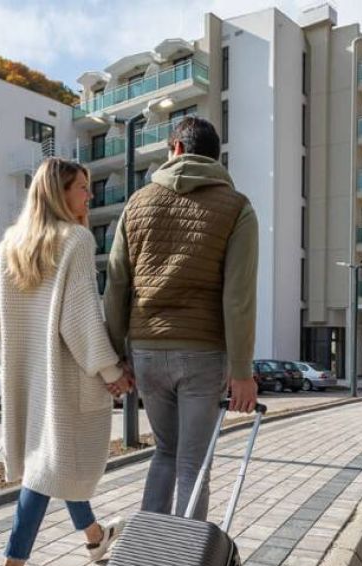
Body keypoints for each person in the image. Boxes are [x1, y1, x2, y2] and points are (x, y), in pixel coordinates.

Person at [0, 157, 134, 566]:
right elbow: (82, 320)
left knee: (54, 461)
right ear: (59, 192)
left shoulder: (11, 243)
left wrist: (15, 365)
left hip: (28, 377)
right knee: (44, 471)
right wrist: (113, 372)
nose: (89, 195)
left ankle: (95, 537)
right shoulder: (75, 240)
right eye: (82, 187)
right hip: (65, 377)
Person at [104, 116, 259, 521]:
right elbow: (238, 296)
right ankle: (185, 555)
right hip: (203, 352)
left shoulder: (137, 203)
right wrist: (242, 371)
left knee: (165, 453)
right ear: (215, 158)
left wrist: (115, 357)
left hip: (146, 350)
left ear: (175, 149)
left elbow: (116, 285)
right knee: (193, 463)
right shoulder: (237, 208)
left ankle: (149, 548)